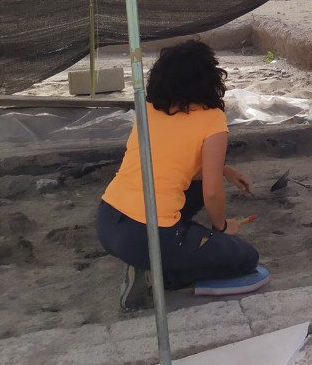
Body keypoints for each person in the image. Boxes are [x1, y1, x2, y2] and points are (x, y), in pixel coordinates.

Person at [95, 41, 261, 311]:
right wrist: (222, 228)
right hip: (146, 237)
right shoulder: (212, 118)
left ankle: (164, 252)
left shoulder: (148, 109)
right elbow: (211, 191)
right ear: (209, 79)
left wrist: (224, 170)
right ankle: (156, 274)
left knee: (190, 190)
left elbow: (171, 163)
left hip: (108, 220)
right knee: (245, 258)